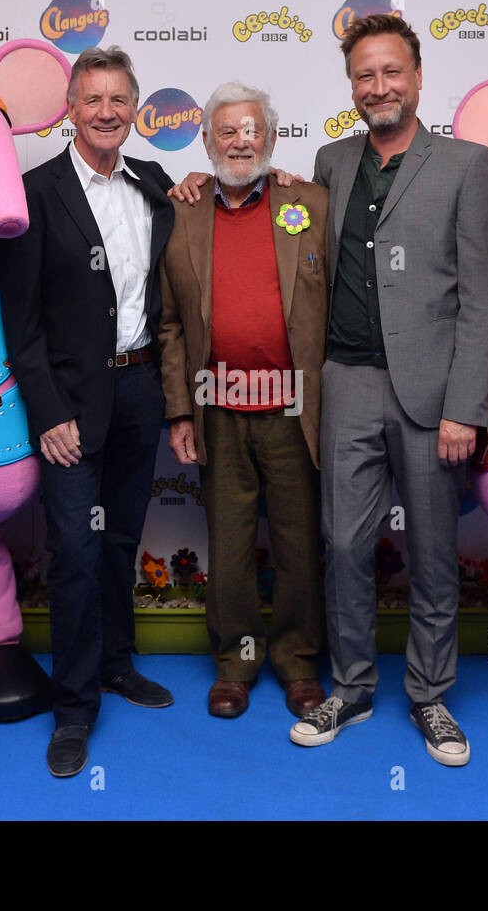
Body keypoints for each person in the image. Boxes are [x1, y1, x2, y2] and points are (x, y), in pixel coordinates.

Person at [290, 14, 488, 765]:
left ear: (418, 78)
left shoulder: (466, 165)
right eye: (364, 75)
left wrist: (466, 406)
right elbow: (289, 237)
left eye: (391, 72)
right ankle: (351, 687)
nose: (378, 86)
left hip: (433, 397)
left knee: (431, 548)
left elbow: (487, 294)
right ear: (350, 85)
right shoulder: (330, 163)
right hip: (346, 383)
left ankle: (429, 694)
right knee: (344, 544)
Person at [0, 46, 175, 779]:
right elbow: (21, 319)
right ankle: (73, 707)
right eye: (92, 99)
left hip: (139, 392)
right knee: (73, 551)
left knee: (119, 537)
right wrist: (47, 410)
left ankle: (114, 664)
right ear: (70, 108)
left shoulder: (157, 184)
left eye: (119, 100)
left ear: (135, 110)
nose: (106, 112)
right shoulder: (34, 192)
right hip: (69, 405)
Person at [158, 82, 329, 720]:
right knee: (228, 548)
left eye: (251, 129)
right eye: (225, 131)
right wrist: (179, 407)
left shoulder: (311, 203)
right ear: (206, 141)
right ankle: (234, 664)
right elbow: (171, 323)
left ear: (272, 137)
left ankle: (297, 663)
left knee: (298, 544)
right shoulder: (180, 210)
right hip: (218, 409)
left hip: (293, 410)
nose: (240, 141)